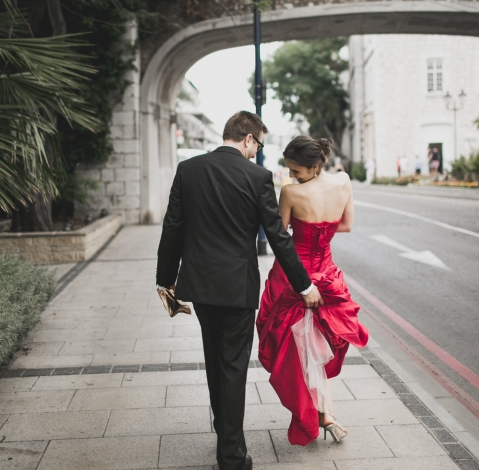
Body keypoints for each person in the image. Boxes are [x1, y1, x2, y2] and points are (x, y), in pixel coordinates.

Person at [156, 111, 323, 470]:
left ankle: (224, 429)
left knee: (215, 360)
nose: (257, 152)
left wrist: (165, 279)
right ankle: (231, 456)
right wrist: (304, 284)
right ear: (248, 138)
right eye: (258, 144)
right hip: (237, 288)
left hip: (200, 286)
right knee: (232, 367)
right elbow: (278, 237)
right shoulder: (257, 177)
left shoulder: (189, 170)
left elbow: (173, 226)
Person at [257, 135, 369, 446]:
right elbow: (345, 225)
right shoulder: (344, 182)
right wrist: (323, 226)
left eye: (296, 171)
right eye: (290, 171)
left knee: (297, 347)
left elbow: (280, 239)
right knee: (317, 342)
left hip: (295, 275)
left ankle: (319, 412)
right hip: (327, 273)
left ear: (315, 166)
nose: (291, 176)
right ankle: (326, 412)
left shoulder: (291, 193)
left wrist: (298, 227)